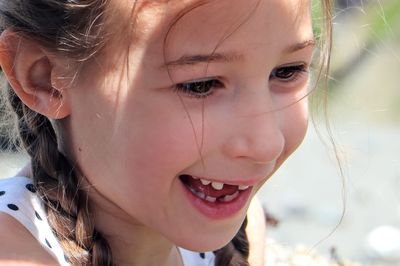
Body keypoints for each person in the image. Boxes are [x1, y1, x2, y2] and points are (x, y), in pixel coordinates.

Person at [0, 0, 332, 265]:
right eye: (200, 85)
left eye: (288, 71)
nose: (266, 144)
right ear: (45, 78)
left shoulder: (238, 232)